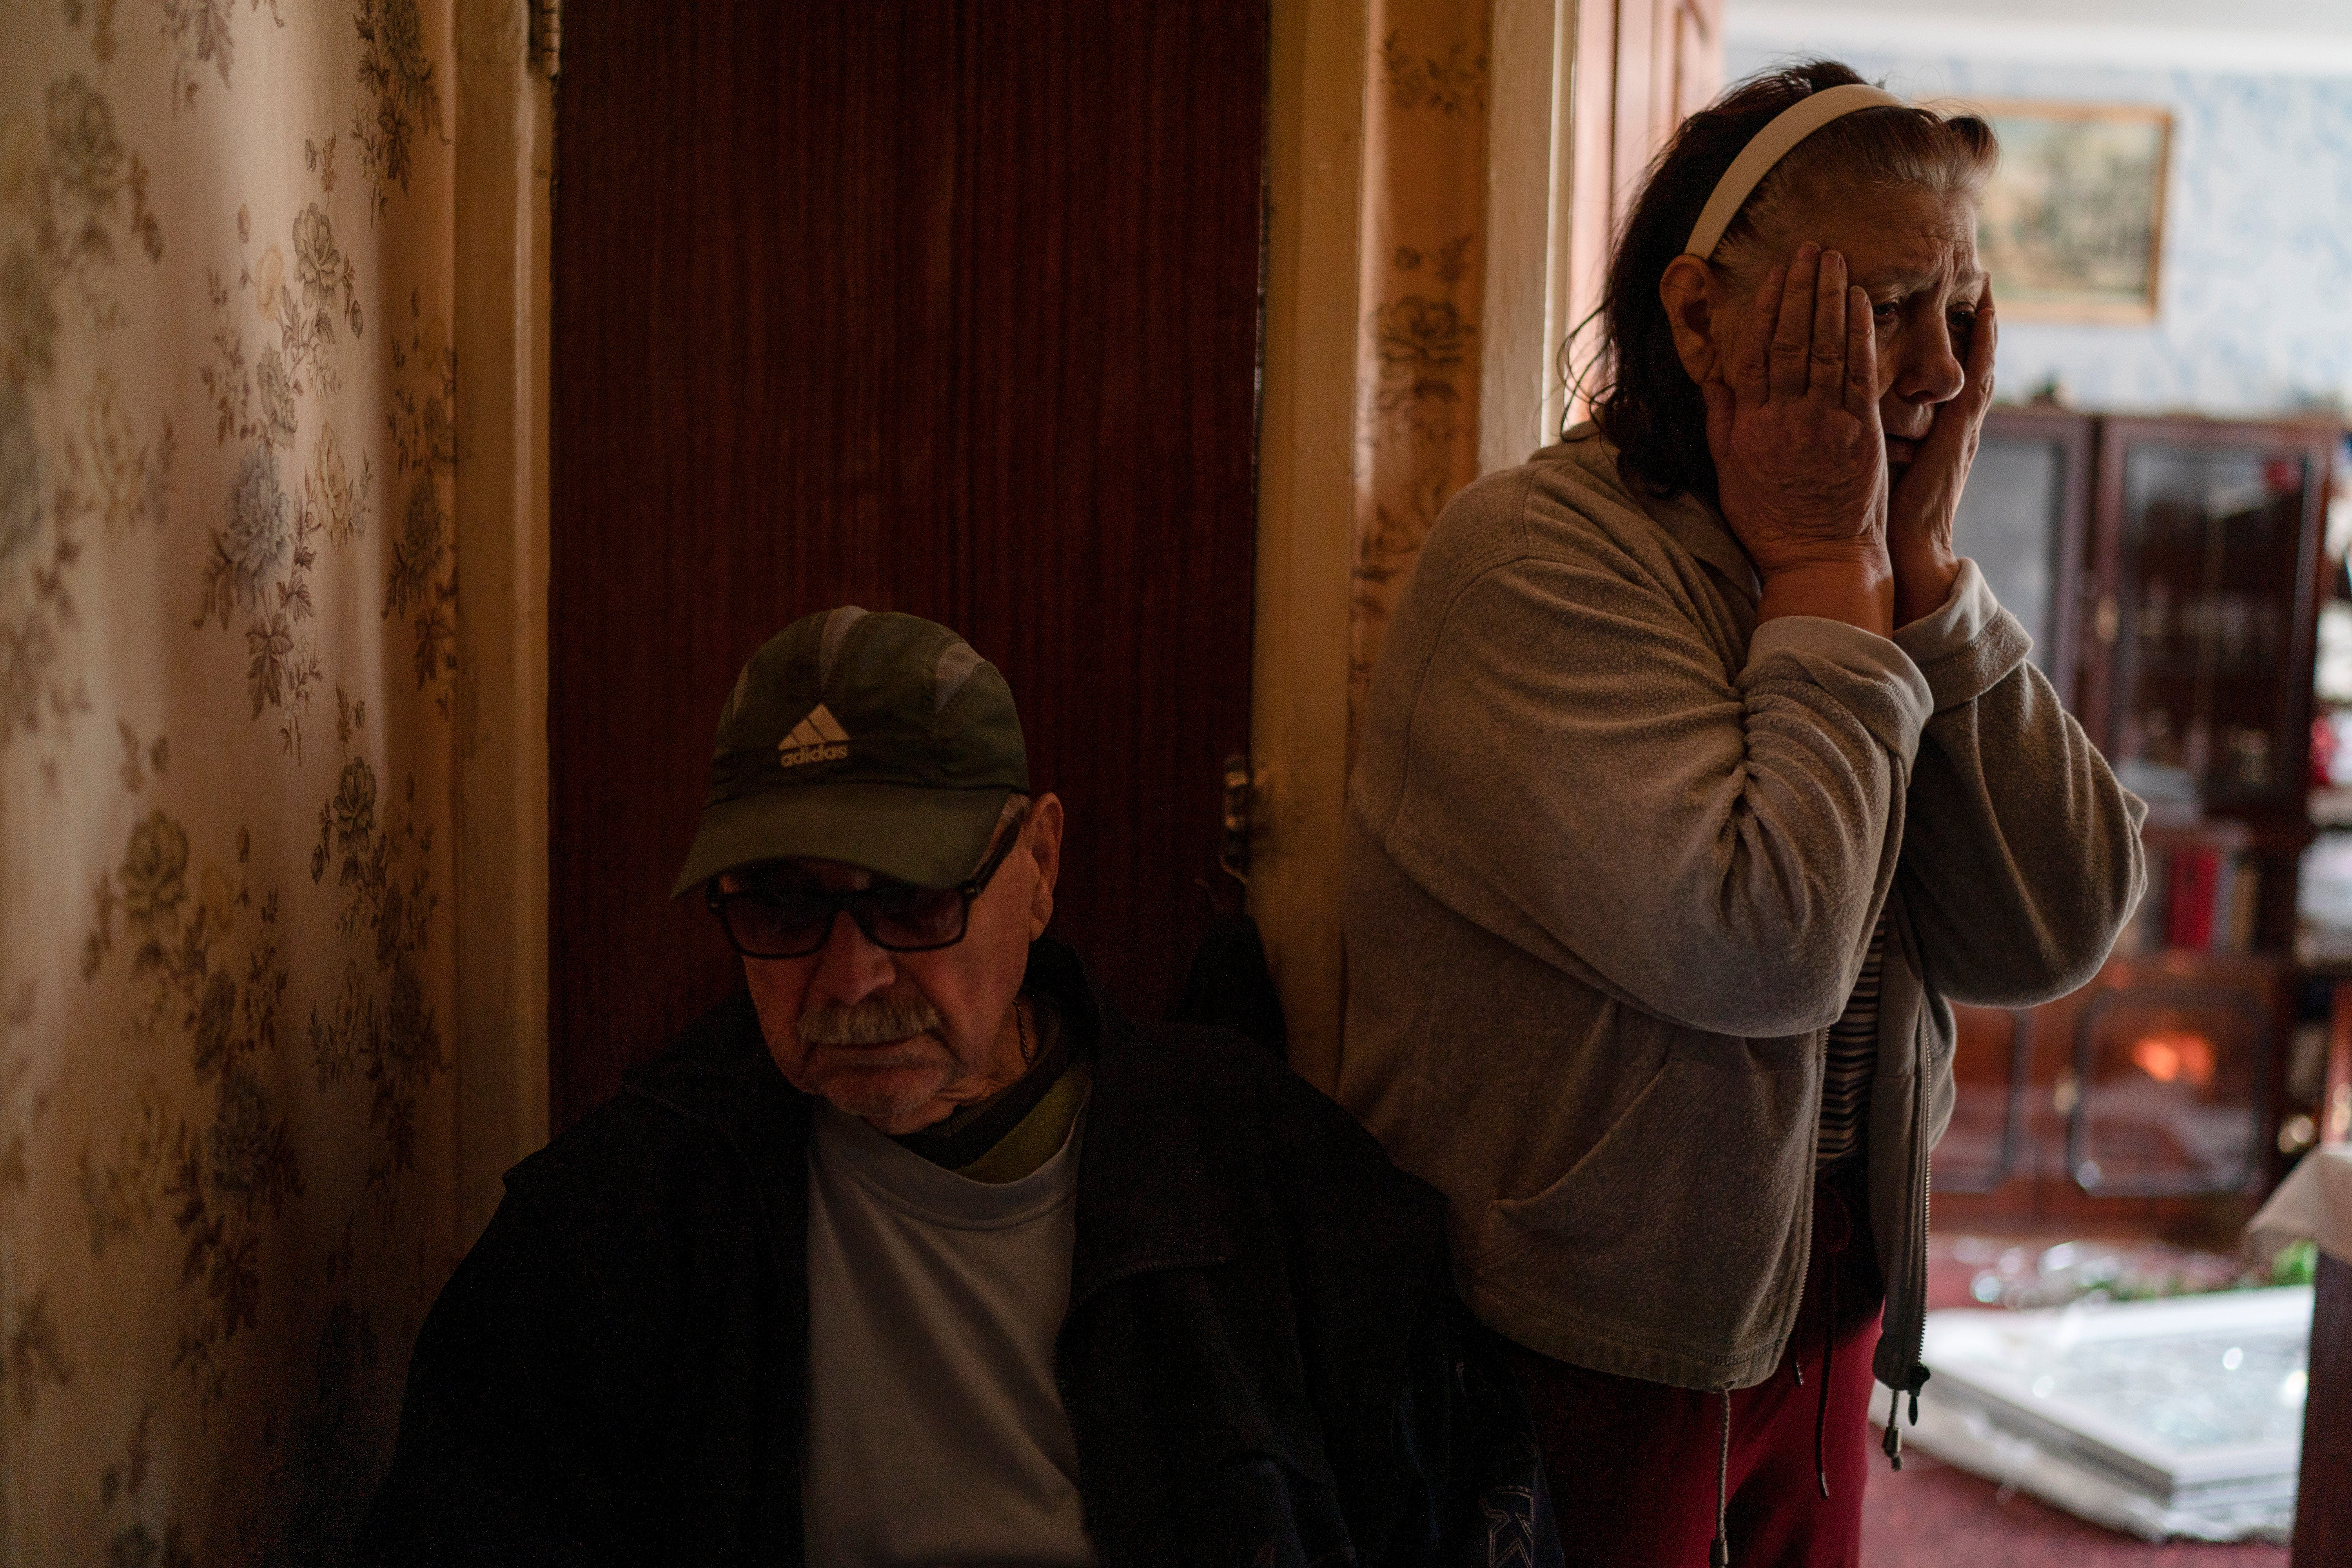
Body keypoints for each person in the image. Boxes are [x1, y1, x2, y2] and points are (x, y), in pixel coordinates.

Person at [1337, 61, 2145, 1568]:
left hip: (1817, 1302)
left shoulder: (1868, 554)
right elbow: (1763, 953)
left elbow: (2058, 926)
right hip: (1580, 1339)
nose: (1942, 375)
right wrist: (1834, 582)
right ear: (1702, 316)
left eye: (1962, 313)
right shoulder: (1533, 560)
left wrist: (1930, 578)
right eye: (1885, 306)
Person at [360, 607, 1554, 1567]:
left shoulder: (1271, 1179)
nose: (851, 972)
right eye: (781, 906)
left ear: (1037, 868)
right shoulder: (612, 1231)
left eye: (914, 897)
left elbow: (1462, 1507)